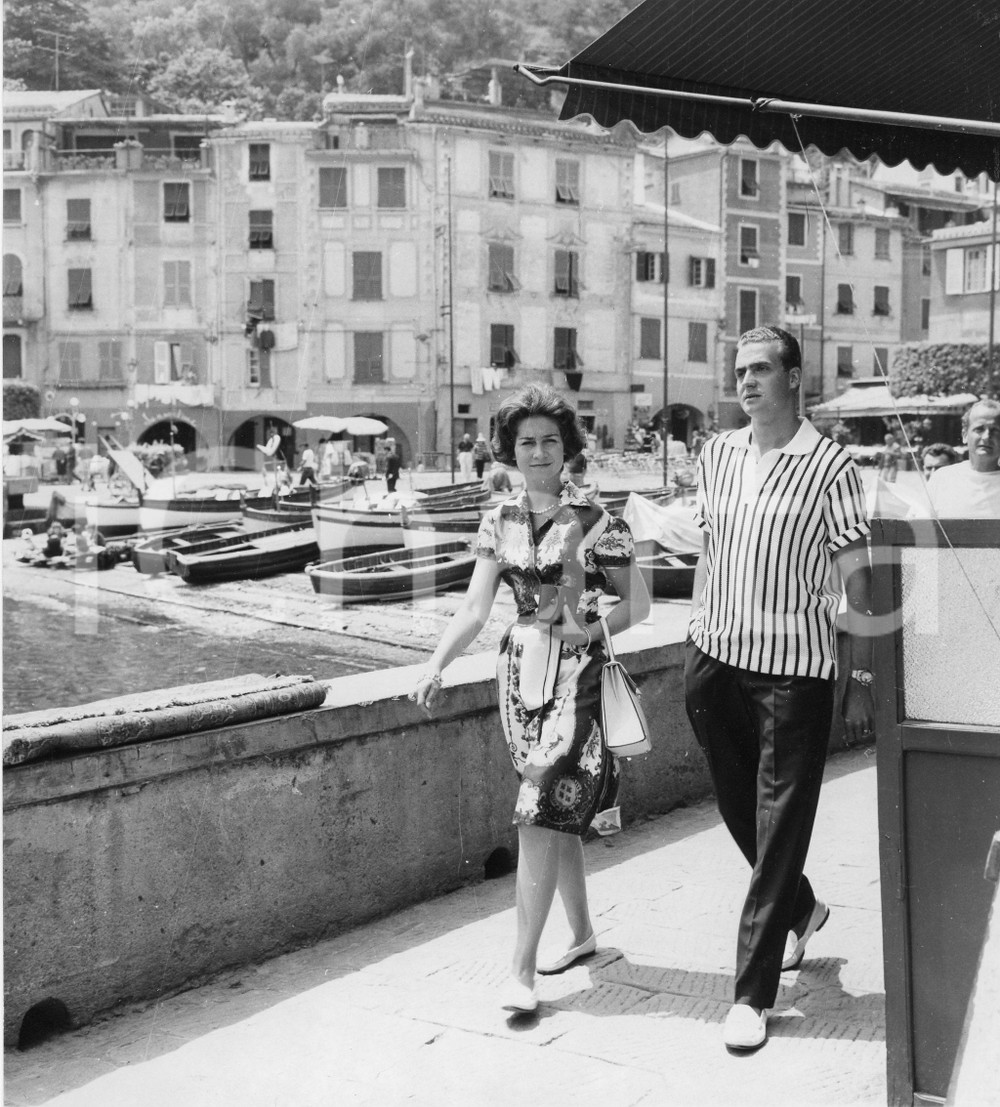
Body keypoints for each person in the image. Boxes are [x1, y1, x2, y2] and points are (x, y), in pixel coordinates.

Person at [412, 385, 650, 1016]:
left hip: (579, 677)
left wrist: (589, 628)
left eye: (550, 440)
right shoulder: (499, 521)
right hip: (519, 678)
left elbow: (639, 605)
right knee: (555, 813)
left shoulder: (600, 523)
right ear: (509, 451)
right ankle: (581, 935)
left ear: (567, 448)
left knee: (539, 807)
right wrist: (437, 663)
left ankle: (520, 970)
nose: (539, 452)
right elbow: (474, 607)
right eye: (526, 442)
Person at [685, 326, 874, 1051]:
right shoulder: (717, 453)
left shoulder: (830, 465)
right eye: (740, 370)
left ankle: (752, 994)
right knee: (741, 806)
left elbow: (858, 577)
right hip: (715, 657)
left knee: (781, 821)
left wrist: (857, 668)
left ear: (796, 378)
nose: (748, 381)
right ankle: (801, 907)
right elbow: (707, 549)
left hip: (794, 669)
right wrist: (694, 633)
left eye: (762, 369)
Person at [925, 399, 1000, 518]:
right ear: (965, 434)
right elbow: (919, 529)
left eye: (995, 431)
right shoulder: (941, 479)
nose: (986, 437)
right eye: (979, 429)